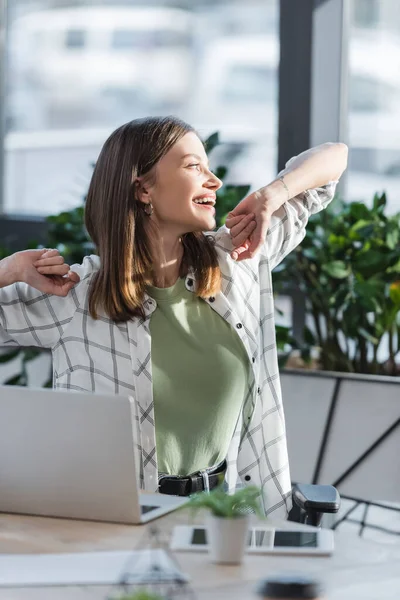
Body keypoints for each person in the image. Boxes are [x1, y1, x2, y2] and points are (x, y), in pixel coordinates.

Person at [0, 116, 348, 517]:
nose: (213, 180)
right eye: (193, 166)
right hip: (111, 522)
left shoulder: (239, 259)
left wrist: (273, 194)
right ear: (142, 188)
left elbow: (334, 159)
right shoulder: (73, 296)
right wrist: (6, 271)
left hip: (222, 518)